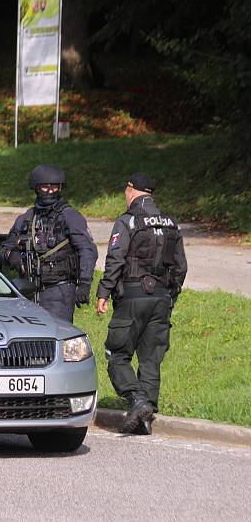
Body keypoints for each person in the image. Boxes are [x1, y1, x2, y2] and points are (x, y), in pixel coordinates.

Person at [96, 173, 187, 435]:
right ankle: (145, 419)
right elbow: (181, 267)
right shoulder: (171, 223)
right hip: (161, 299)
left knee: (117, 354)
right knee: (150, 358)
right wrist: (171, 297)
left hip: (133, 297)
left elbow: (116, 260)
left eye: (126, 191)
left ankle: (137, 400)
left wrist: (103, 292)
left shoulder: (127, 222)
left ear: (131, 190)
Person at [1, 164, 97, 323]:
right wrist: (14, 257)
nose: (50, 191)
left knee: (56, 333)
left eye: (55, 187)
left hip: (60, 291)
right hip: (28, 291)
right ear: (37, 188)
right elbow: (5, 249)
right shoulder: (25, 219)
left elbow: (87, 250)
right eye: (46, 187)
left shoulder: (69, 216)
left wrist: (85, 283)